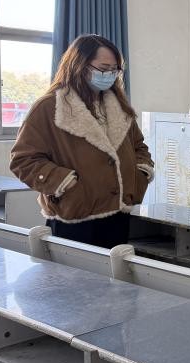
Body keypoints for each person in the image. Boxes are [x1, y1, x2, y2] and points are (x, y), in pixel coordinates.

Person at [10, 34, 153, 248]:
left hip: (118, 214)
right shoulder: (50, 107)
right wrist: (65, 183)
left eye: (115, 70)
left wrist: (139, 175)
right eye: (103, 68)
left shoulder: (119, 107)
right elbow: (23, 160)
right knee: (71, 271)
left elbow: (139, 147)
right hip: (73, 218)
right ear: (80, 65)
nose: (109, 75)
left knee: (114, 271)